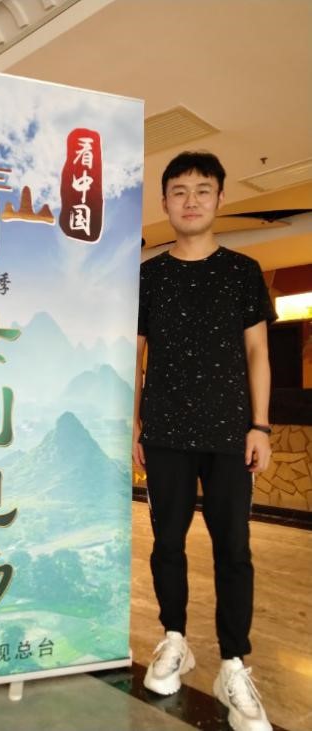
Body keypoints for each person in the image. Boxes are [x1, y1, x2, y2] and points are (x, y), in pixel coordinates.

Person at [133, 151, 276, 731]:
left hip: (229, 435)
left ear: (220, 198)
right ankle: (175, 639)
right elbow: (136, 356)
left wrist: (261, 425)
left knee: (233, 550)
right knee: (167, 543)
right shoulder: (148, 276)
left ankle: (233, 664)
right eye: (179, 191)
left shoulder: (243, 270)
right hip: (165, 432)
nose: (190, 201)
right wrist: (135, 425)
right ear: (164, 202)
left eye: (202, 190)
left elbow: (258, 351)